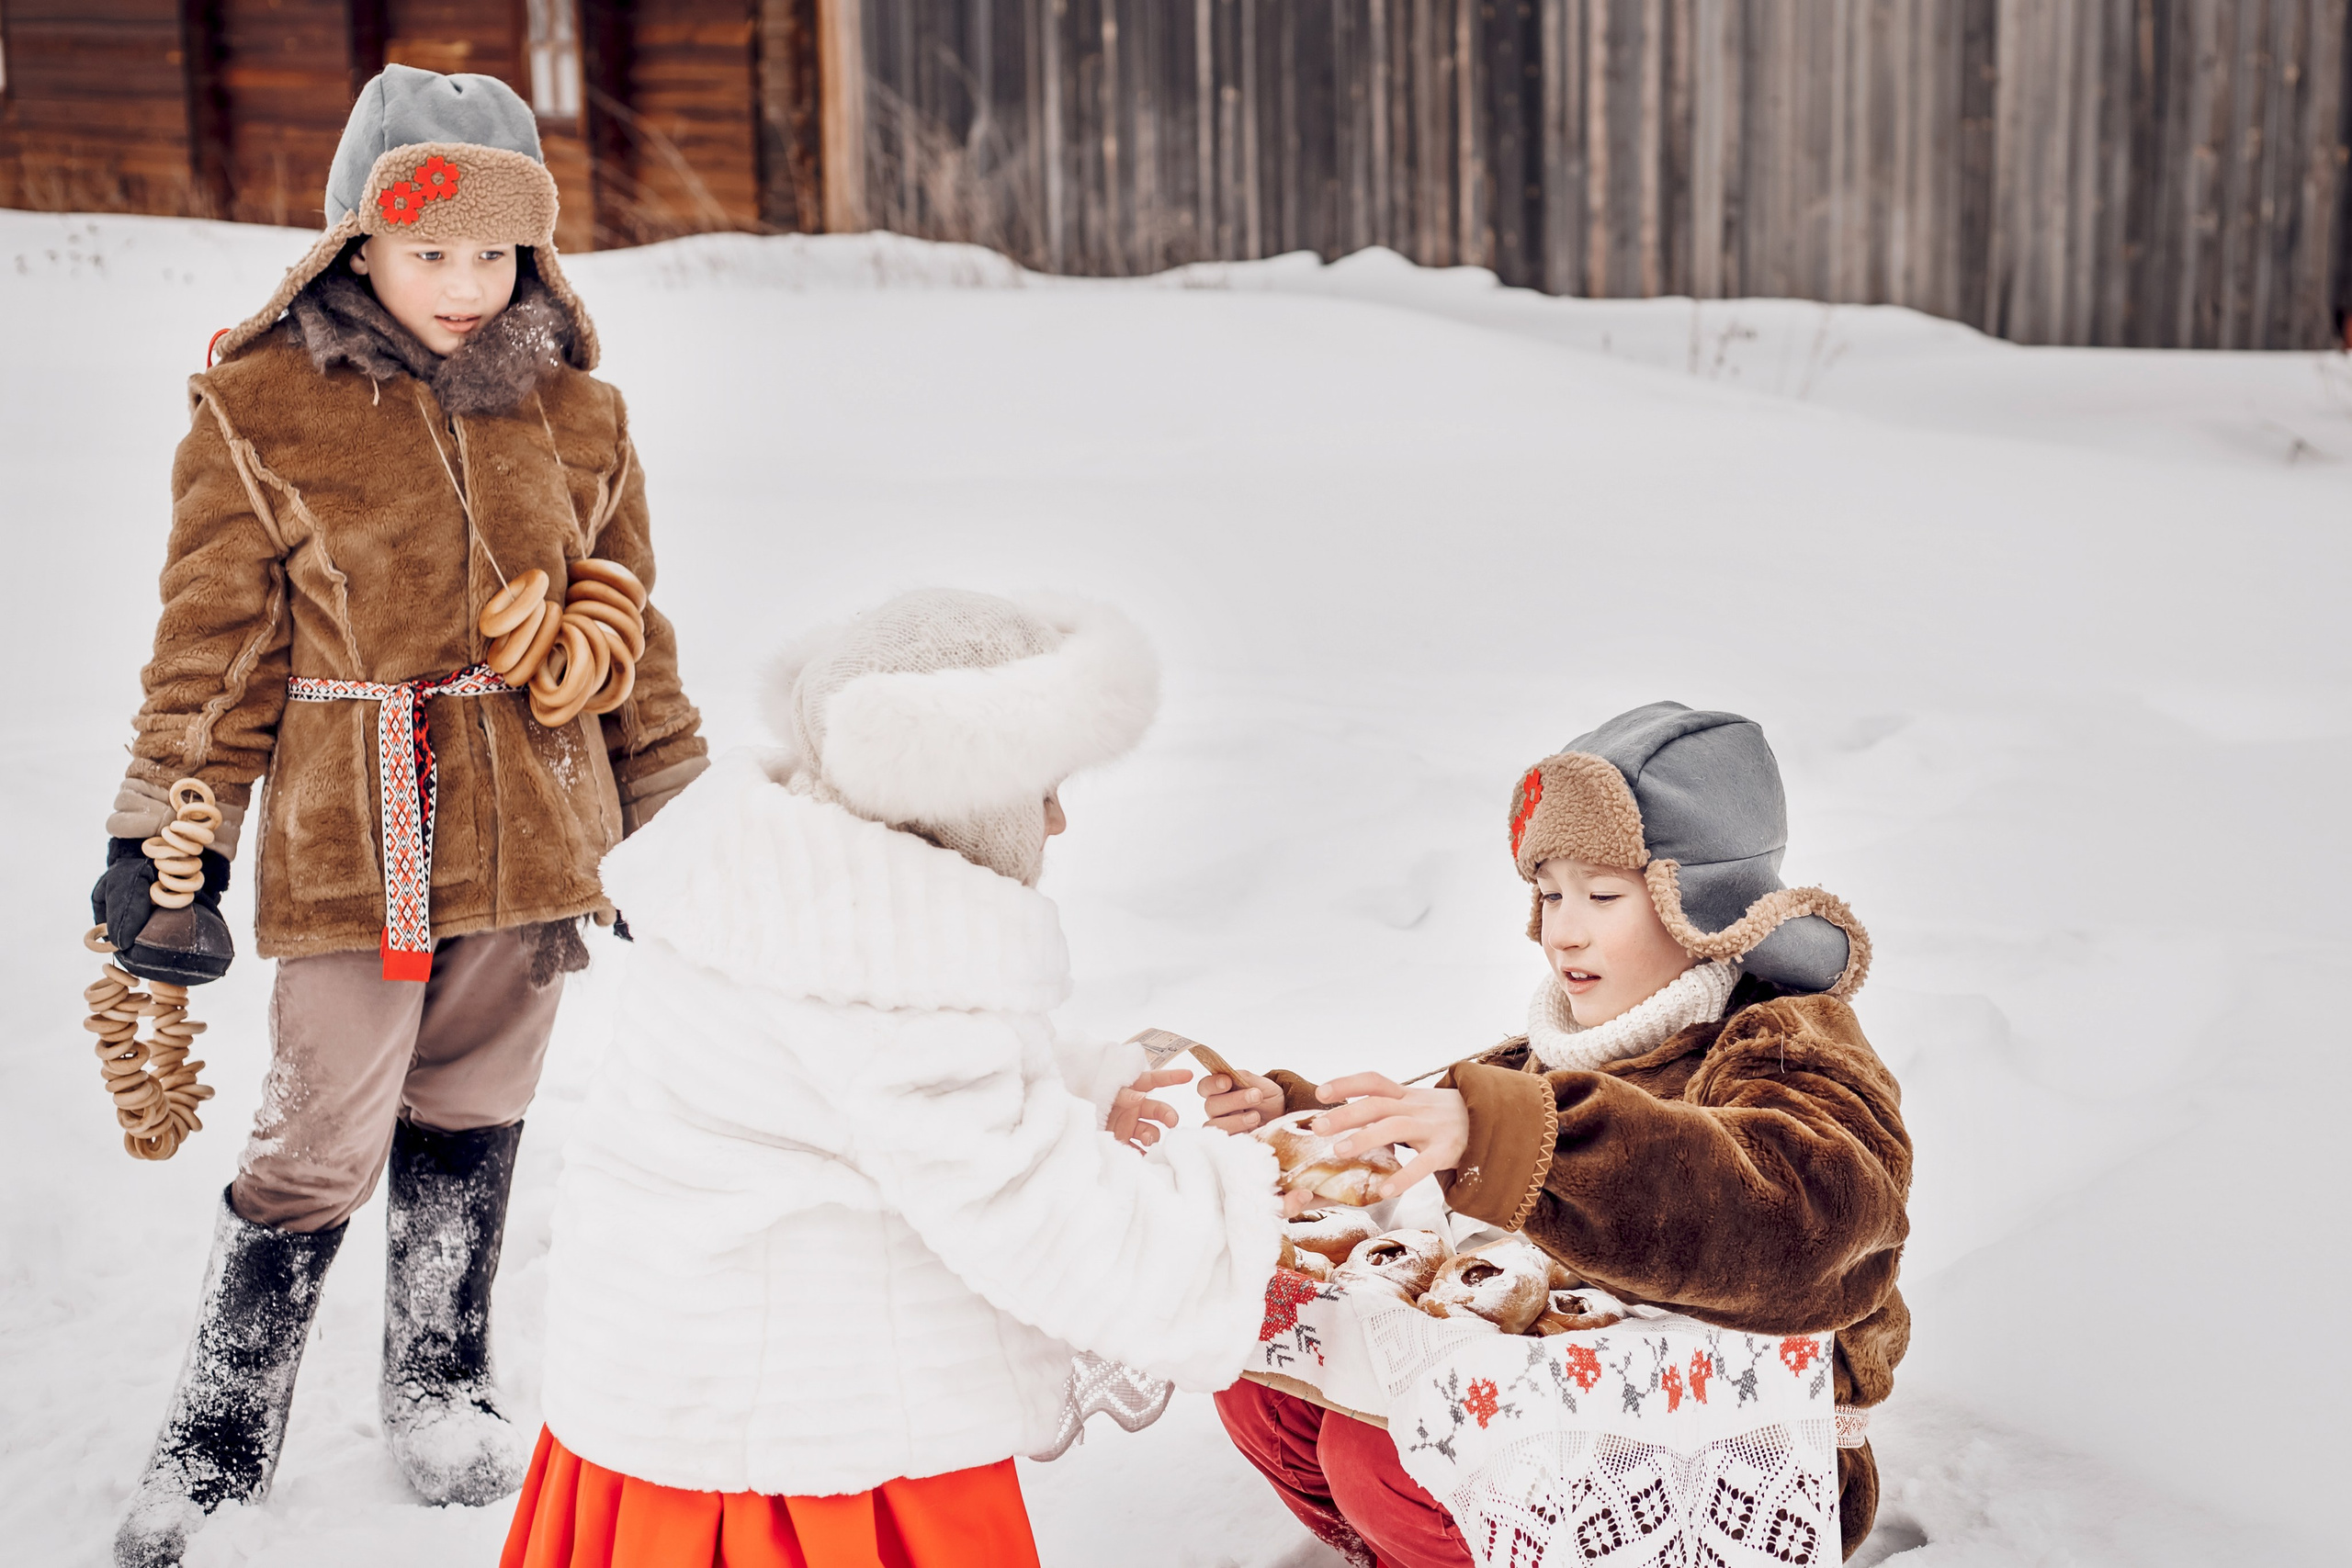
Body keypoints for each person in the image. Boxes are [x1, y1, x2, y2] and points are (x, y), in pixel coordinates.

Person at [96, 65, 706, 1568]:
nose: (464, 282)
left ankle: (438, 1384)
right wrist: (161, 846)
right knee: (318, 1138)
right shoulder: (263, 406)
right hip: (355, 838)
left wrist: (683, 834)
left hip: (538, 834)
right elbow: (213, 651)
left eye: (494, 252)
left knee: (477, 1111)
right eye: (430, 249)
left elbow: (636, 641)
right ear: (355, 242)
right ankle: (217, 1436)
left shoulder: (580, 411)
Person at [503, 588, 1285, 1568]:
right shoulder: (886, 980)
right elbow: (1032, 1214)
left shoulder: (786, 887)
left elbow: (844, 1097)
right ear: (956, 792)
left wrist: (1090, 1083)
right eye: (1037, 785)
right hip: (809, 1470)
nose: (1057, 820)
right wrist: (1238, 1206)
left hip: (674, 1412)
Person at [1199, 703, 1911, 1564]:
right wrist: (1307, 1122)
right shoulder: (1558, 1050)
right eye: (1548, 893)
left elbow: (1805, 1224)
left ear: (1705, 907)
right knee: (1265, 1385)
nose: (1560, 928)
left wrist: (1510, 1135)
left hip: (1736, 1445)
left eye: (1604, 895)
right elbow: (1446, 1132)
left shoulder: (1781, 1039)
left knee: (1380, 1450)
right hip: (1571, 1392)